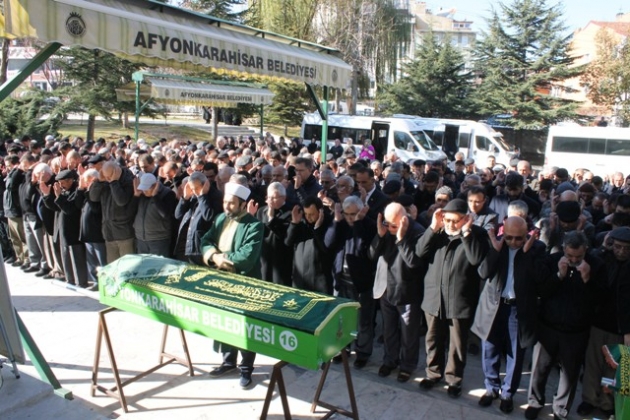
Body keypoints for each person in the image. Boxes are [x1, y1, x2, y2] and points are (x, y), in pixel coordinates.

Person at [525, 231, 606, 420]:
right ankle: (535, 402)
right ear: (563, 249)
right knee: (539, 369)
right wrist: (558, 276)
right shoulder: (553, 260)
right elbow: (542, 291)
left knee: (569, 374)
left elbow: (600, 300)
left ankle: (560, 409)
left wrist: (587, 279)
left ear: (586, 250)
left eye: (579, 256)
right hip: (548, 326)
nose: (574, 260)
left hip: (576, 331)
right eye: (570, 256)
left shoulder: (596, 265)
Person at [472, 217, 549, 413]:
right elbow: (483, 272)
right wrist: (495, 250)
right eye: (509, 237)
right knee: (489, 349)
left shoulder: (537, 249)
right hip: (494, 306)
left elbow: (541, 280)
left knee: (515, 353)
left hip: (518, 309)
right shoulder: (497, 245)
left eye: (518, 238)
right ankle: (491, 388)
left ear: (527, 235)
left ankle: (507, 393)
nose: (513, 242)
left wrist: (527, 254)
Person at [415, 198, 489, 398]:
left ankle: (454, 379)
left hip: (459, 300)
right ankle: (433, 373)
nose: (450, 225)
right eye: (447, 220)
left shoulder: (477, 235)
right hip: (434, 297)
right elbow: (419, 252)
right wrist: (432, 228)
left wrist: (466, 234)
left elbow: (476, 259)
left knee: (457, 344)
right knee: (433, 339)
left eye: (455, 221)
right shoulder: (437, 232)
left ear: (465, 219)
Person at [200, 181, 263, 389]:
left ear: (243, 204)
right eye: (225, 202)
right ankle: (228, 362)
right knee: (224, 321)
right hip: (221, 281)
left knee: (244, 326)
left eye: (231, 203)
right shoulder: (220, 219)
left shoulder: (254, 225)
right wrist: (213, 256)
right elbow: (206, 240)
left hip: (244, 285)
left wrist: (221, 259)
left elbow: (247, 257)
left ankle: (246, 367)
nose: (227, 207)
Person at [577, 226, 630, 418]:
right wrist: (603, 246)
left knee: (612, 367)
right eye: (617, 246)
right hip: (598, 321)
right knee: (592, 363)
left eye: (626, 248)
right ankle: (589, 399)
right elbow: (589, 257)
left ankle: (606, 402)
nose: (621, 251)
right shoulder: (604, 259)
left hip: (620, 327)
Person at [370, 202, 425, 382]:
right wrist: (380, 235)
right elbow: (372, 254)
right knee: (389, 329)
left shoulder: (417, 232)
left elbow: (414, 262)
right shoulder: (385, 229)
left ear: (403, 220)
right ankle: (390, 360)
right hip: (386, 287)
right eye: (387, 224)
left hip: (406, 290)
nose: (390, 229)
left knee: (409, 332)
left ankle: (407, 365)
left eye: (393, 226)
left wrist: (401, 239)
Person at [325, 196, 377, 368]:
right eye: (346, 214)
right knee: (341, 319)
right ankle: (342, 349)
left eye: (353, 214)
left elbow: (360, 248)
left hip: (361, 282)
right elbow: (328, 243)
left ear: (361, 212)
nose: (349, 218)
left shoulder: (368, 225)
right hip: (341, 280)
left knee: (363, 321)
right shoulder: (340, 223)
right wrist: (336, 220)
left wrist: (359, 222)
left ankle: (363, 352)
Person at [285, 196, 334, 294]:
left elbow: (326, 249)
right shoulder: (301, 222)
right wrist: (294, 223)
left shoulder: (329, 223)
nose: (308, 217)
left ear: (320, 212)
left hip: (319, 280)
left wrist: (317, 229)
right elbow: (288, 242)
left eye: (311, 214)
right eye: (306, 214)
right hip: (300, 278)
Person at [132, 173, 177, 256]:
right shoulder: (141, 194)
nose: (144, 191)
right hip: (141, 240)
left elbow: (165, 214)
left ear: (155, 186)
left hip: (159, 240)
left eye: (147, 188)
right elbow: (131, 212)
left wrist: (155, 196)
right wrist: (136, 196)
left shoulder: (167, 194)